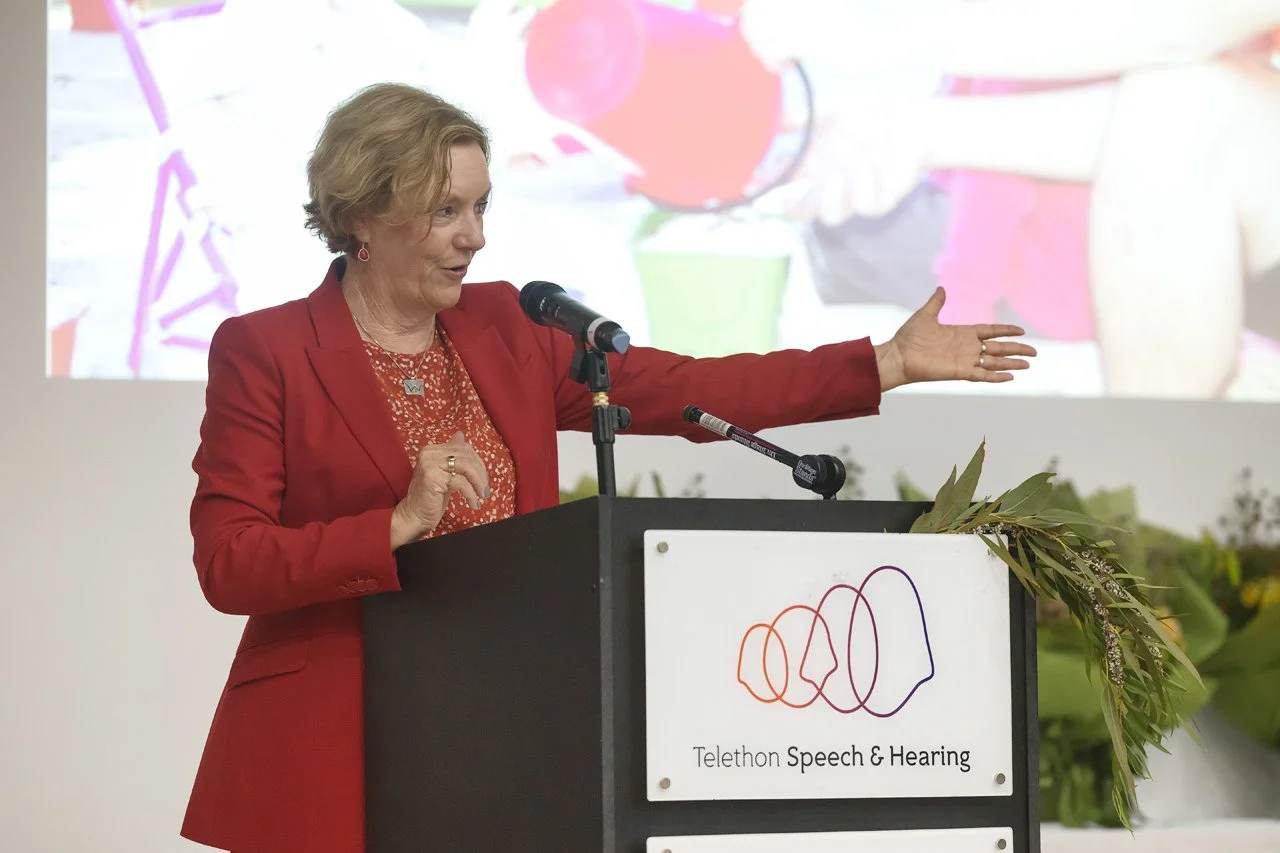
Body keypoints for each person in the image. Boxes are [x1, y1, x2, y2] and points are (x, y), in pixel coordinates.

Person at [179, 81, 1035, 852]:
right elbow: (229, 560)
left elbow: (691, 388)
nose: (475, 236)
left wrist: (883, 362)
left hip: (495, 732)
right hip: (333, 739)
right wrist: (395, 524)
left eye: (481, 206)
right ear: (365, 215)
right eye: (446, 211)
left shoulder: (508, 328)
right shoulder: (268, 350)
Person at [741, 0, 1280, 398]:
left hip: (1050, 290)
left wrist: (877, 31)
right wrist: (918, 133)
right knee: (1182, 106)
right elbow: (1169, 126)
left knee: (848, 246)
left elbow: (1185, 28)